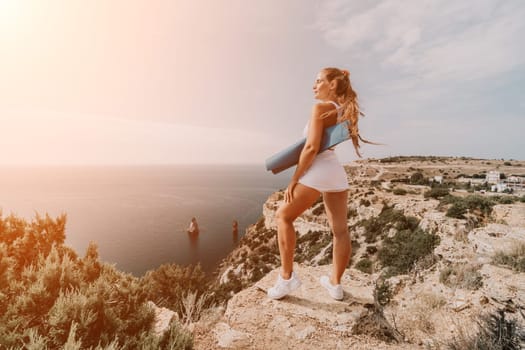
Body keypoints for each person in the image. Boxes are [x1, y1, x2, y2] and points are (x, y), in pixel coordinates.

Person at [267, 67, 376, 301]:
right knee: (340, 230)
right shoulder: (341, 109)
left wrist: (294, 179)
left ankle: (287, 279)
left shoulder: (320, 108)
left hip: (317, 170)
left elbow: (311, 147)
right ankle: (335, 285)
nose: (313, 86)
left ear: (333, 84)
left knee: (283, 217)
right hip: (335, 173)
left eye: (318, 81)